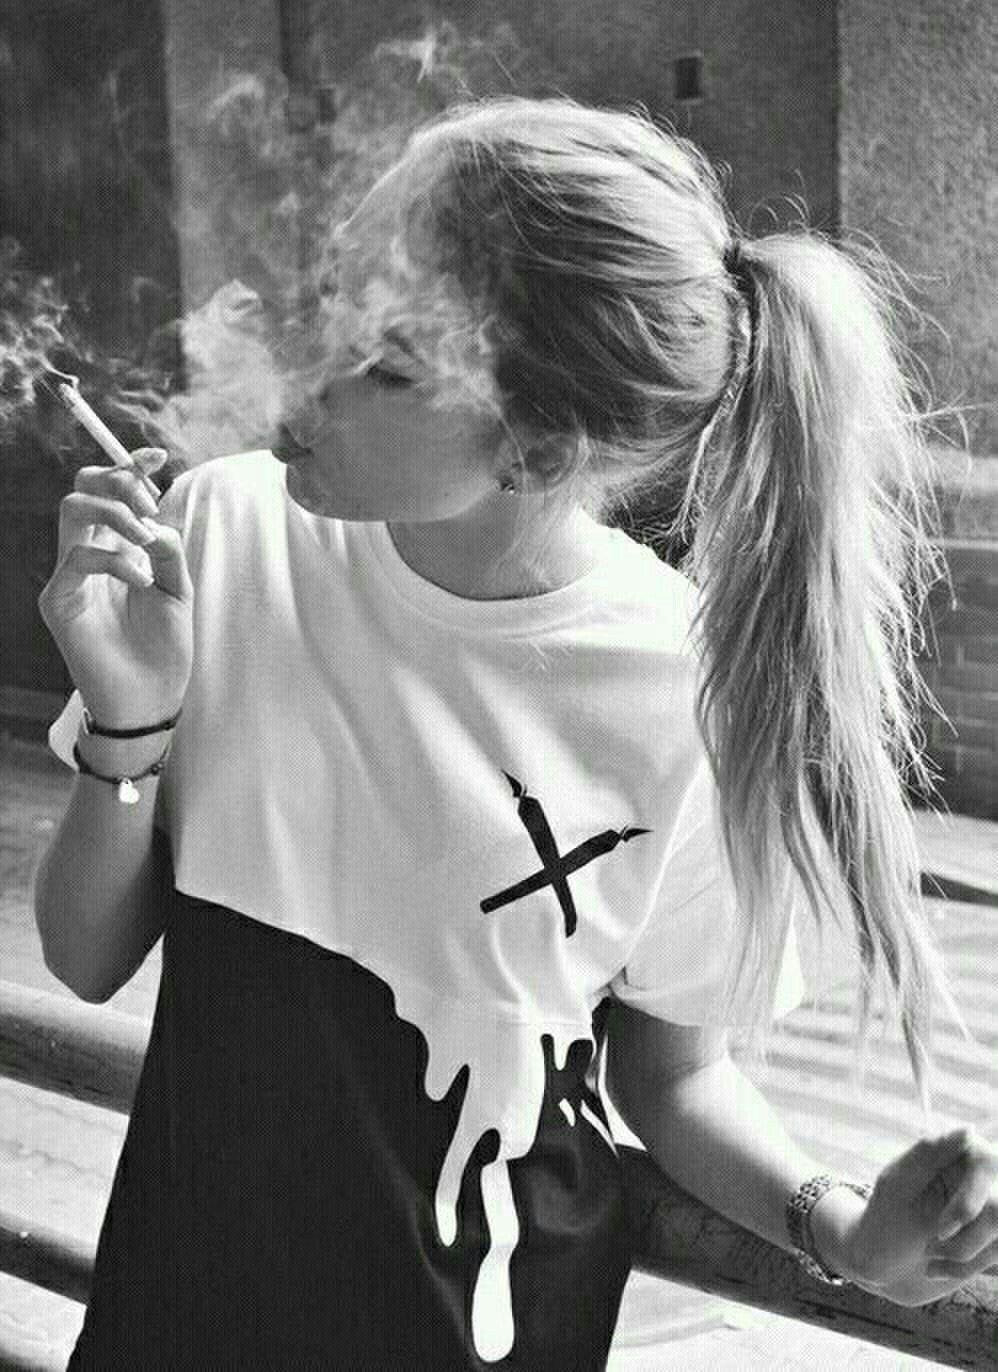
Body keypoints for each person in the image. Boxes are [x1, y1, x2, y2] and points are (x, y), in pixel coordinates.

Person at [35, 96, 997, 1369]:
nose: (304, 379)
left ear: (536, 451)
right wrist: (128, 716)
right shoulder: (221, 532)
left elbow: (673, 1077)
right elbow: (85, 957)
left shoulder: (684, 693)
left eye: (388, 362)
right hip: (180, 1311)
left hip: (479, 1329)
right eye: (332, 299)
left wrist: (845, 1228)